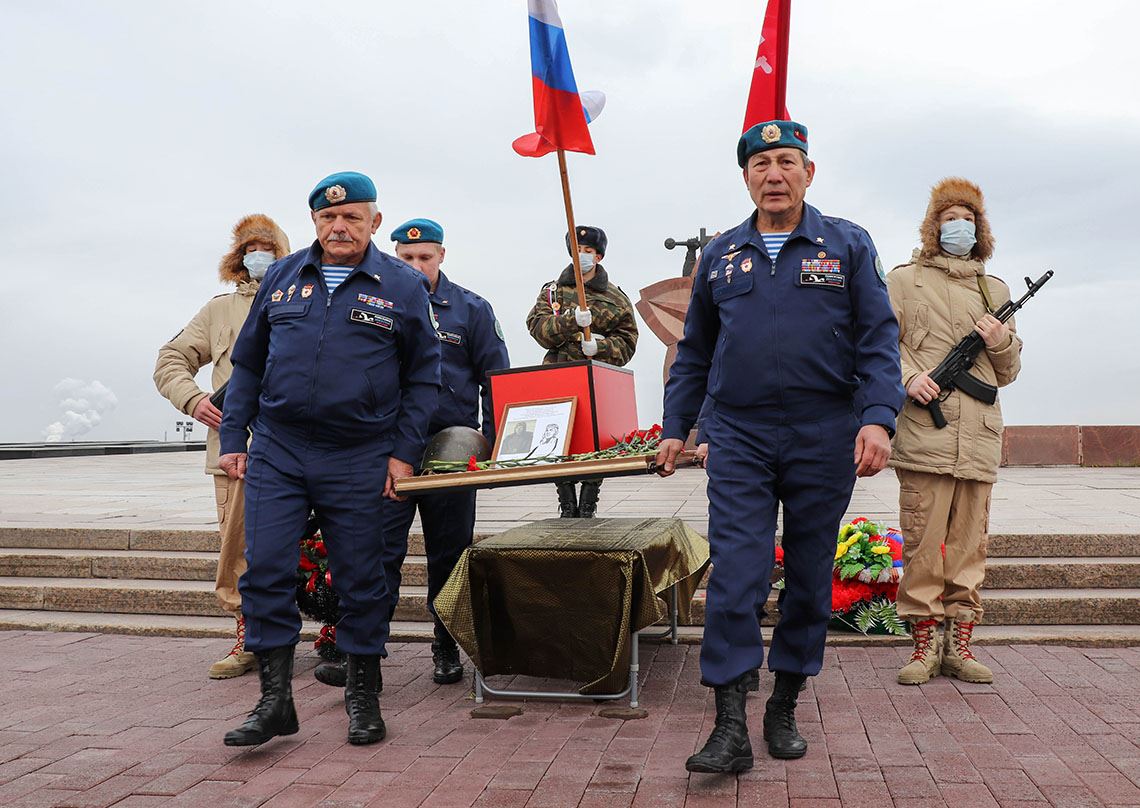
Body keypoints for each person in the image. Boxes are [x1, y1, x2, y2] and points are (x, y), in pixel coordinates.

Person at [655, 120, 903, 772]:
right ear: (746, 177)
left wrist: (877, 418)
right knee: (736, 574)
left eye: (786, 161)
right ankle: (730, 725)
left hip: (825, 431)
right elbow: (695, 354)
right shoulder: (720, 256)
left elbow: (879, 336)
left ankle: (785, 699)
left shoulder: (846, 244)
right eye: (761, 163)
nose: (774, 173)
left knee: (810, 581)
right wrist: (676, 428)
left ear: (808, 173)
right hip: (739, 433)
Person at [217, 172, 441, 748]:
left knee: (362, 578)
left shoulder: (401, 285)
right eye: (327, 218)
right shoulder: (285, 277)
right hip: (279, 449)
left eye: (352, 218)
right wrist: (235, 440)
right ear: (315, 220)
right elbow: (248, 364)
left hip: (360, 454)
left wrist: (404, 456)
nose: (339, 227)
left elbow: (423, 378)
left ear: (374, 222)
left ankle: (363, 698)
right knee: (265, 569)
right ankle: (274, 702)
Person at [312, 217, 509, 689]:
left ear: (442, 256)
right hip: (387, 448)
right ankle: (364, 653)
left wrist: (493, 444)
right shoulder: (376, 300)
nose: (416, 266)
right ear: (393, 255)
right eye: (406, 258)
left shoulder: (471, 309)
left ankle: (446, 644)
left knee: (450, 554)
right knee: (377, 552)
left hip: (451, 449)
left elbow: (495, 379)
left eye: (425, 257)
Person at [886, 178, 1021, 686]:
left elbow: (1006, 372)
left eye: (967, 219)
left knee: (970, 546)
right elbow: (879, 345)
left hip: (980, 438)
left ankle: (960, 646)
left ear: (979, 229)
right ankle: (923, 646)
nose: (958, 227)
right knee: (923, 543)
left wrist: (1002, 340)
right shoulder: (904, 281)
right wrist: (908, 378)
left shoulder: (996, 290)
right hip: (925, 435)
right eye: (949, 219)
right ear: (933, 227)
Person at [153, 214, 290, 680]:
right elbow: (170, 358)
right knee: (240, 550)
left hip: (301, 446)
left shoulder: (306, 301)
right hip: (238, 454)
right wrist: (193, 401)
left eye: (268, 250)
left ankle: (327, 635)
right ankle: (248, 636)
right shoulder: (218, 310)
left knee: (317, 544)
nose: (260, 258)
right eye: (251, 250)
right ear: (238, 260)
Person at [525, 226, 638, 517]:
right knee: (558, 439)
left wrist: (598, 348)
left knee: (593, 441)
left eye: (588, 251)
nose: (582, 256)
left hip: (594, 377)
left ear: (598, 256)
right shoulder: (552, 292)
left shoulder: (615, 298)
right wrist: (570, 322)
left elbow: (627, 343)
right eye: (577, 251)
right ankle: (566, 501)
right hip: (559, 375)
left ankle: (589, 501)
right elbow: (538, 328)